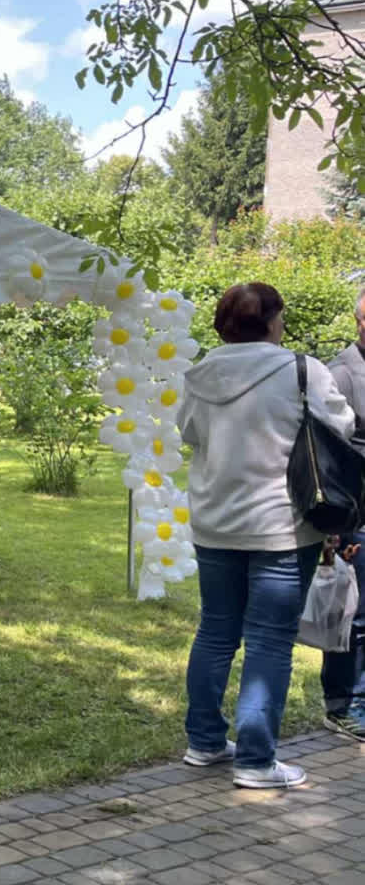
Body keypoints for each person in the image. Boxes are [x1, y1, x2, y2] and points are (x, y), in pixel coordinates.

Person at [177, 282, 353, 788]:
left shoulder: (200, 373)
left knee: (215, 632)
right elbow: (341, 425)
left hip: (215, 522)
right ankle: (256, 762)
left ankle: (205, 742)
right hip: (282, 526)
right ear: (273, 322)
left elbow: (188, 432)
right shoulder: (301, 370)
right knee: (269, 642)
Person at [321, 287, 365, 741]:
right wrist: (338, 528)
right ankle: (343, 706)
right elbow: (331, 457)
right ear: (359, 322)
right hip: (358, 516)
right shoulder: (342, 375)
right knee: (356, 616)